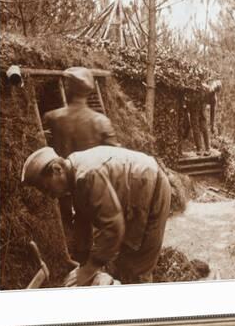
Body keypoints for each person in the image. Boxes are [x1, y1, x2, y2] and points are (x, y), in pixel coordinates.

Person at [21, 145, 172, 286]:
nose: (51, 196)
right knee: (119, 260)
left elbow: (113, 227)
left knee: (137, 267)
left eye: (47, 188)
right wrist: (82, 262)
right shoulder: (73, 170)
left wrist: (88, 269)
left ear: (56, 169)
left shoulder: (87, 175)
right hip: (132, 193)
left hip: (151, 188)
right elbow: (83, 219)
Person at [42, 67, 120, 228]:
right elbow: (115, 156)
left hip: (59, 181)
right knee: (90, 223)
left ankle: (69, 249)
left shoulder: (52, 117)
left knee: (66, 224)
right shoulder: (100, 121)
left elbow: (43, 151)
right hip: (90, 184)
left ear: (69, 88)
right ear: (89, 92)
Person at [186, 79, 222, 156]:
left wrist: (212, 125)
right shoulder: (203, 87)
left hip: (202, 109)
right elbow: (192, 92)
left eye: (215, 90)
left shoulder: (213, 99)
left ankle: (207, 149)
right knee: (195, 128)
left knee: (204, 128)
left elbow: (212, 112)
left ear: (216, 91)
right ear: (212, 85)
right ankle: (199, 148)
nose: (213, 90)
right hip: (194, 107)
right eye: (213, 87)